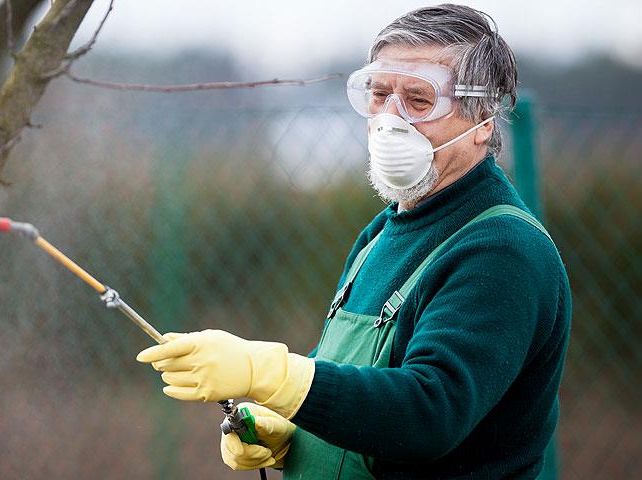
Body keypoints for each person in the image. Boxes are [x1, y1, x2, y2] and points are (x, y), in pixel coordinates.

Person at [137, 4, 571, 479]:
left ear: (483, 120)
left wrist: (269, 372)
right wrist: (293, 433)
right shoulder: (381, 233)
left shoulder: (501, 250)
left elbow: (428, 413)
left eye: (418, 101)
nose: (390, 119)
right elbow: (353, 387)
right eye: (379, 94)